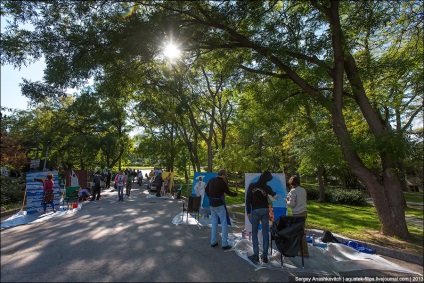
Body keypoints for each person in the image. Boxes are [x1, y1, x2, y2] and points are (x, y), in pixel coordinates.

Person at [245, 170, 277, 264]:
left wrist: (248, 211)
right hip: (265, 210)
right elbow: (273, 195)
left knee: (254, 233)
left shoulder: (252, 186)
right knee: (265, 233)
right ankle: (265, 256)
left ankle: (255, 255)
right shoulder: (267, 187)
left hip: (255, 210)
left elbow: (248, 200)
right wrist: (272, 192)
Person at [205, 169, 238, 250]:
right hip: (219, 205)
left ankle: (213, 242)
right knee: (224, 223)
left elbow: (206, 190)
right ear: (222, 175)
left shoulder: (211, 180)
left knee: (214, 223)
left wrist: (211, 197)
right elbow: (228, 192)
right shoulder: (222, 182)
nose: (226, 176)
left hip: (212, 204)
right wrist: (235, 194)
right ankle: (224, 244)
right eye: (225, 175)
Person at [285, 175, 309, 257]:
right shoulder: (303, 190)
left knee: (300, 233)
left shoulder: (293, 191)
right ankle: (300, 250)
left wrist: (286, 201)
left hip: (298, 214)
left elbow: (292, 204)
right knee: (300, 232)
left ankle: (304, 252)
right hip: (304, 212)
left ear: (292, 183)